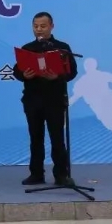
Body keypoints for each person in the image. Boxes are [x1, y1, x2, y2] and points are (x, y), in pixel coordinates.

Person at [13, 11, 78, 186]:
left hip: (55, 100)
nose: (39, 29)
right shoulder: (27, 48)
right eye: (35, 26)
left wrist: (57, 76)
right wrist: (24, 75)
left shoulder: (62, 48)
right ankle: (36, 174)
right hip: (32, 100)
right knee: (35, 138)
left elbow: (72, 71)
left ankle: (61, 175)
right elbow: (17, 71)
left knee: (57, 138)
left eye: (43, 26)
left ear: (51, 26)